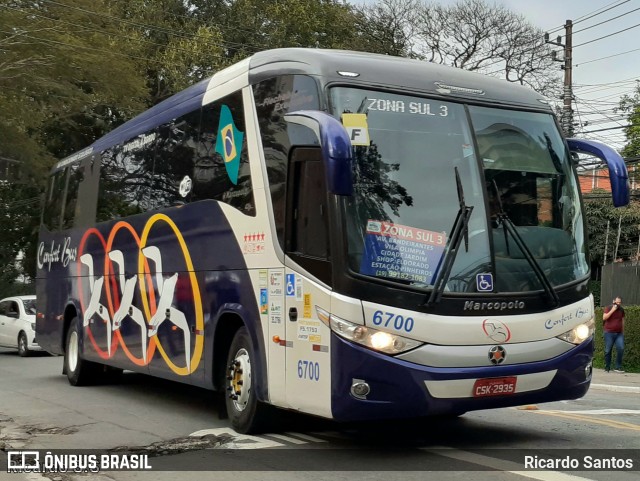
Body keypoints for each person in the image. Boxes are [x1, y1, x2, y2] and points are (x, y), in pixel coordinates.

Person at [602, 296, 625, 373]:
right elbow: (604, 318)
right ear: (613, 302)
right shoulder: (608, 308)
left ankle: (618, 367)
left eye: (619, 302)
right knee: (608, 350)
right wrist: (612, 310)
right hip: (609, 333)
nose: (618, 304)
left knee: (621, 348)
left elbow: (622, 320)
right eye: (616, 302)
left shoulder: (621, 310)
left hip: (619, 333)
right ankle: (607, 367)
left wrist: (622, 331)